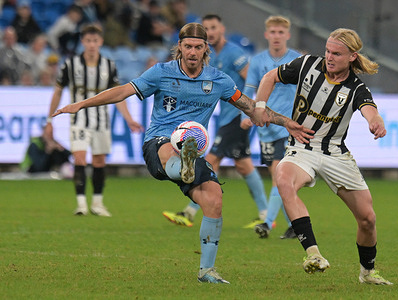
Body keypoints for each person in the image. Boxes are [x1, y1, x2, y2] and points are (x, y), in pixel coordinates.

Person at [51, 22, 314, 284]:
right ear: (179, 47)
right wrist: (81, 104)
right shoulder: (161, 73)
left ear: (205, 49)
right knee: (172, 148)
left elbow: (252, 108)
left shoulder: (218, 80)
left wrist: (286, 122)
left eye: (198, 47)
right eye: (188, 46)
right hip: (158, 143)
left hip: (191, 149)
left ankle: (206, 271)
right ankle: (184, 164)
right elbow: (123, 91)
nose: (192, 52)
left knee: (214, 200)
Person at [253, 28, 393, 285]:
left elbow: (369, 110)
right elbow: (270, 77)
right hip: (302, 146)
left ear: (352, 56)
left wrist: (376, 121)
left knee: (367, 219)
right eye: (328, 51)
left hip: (335, 154)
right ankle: (313, 254)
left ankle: (368, 272)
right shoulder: (307, 65)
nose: (329, 57)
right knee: (284, 180)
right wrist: (260, 106)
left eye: (336, 53)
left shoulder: (356, 87)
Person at [162, 14, 268, 228]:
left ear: (222, 29)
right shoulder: (211, 55)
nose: (210, 32)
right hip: (228, 118)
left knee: (211, 160)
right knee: (244, 165)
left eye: (213, 27)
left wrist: (252, 108)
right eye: (206, 28)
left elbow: (252, 79)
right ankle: (266, 214)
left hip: (236, 118)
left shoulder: (233, 52)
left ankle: (190, 212)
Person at [44, 24, 143, 217]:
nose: (91, 45)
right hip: (78, 119)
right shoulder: (70, 65)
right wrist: (49, 119)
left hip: (101, 120)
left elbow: (118, 96)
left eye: (95, 41)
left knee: (99, 161)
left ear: (100, 42)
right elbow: (58, 91)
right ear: (83, 42)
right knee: (80, 158)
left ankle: (97, 203)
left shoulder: (109, 66)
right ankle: (81, 204)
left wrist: (129, 119)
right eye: (88, 41)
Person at [242, 15, 302, 239]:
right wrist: (245, 113)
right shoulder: (257, 61)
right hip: (264, 127)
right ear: (267, 34)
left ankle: (267, 223)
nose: (277, 36)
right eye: (273, 32)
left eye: (281, 32)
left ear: (287, 35)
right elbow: (249, 89)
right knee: (279, 180)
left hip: (288, 126)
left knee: (280, 177)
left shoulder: (296, 60)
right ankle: (294, 224)